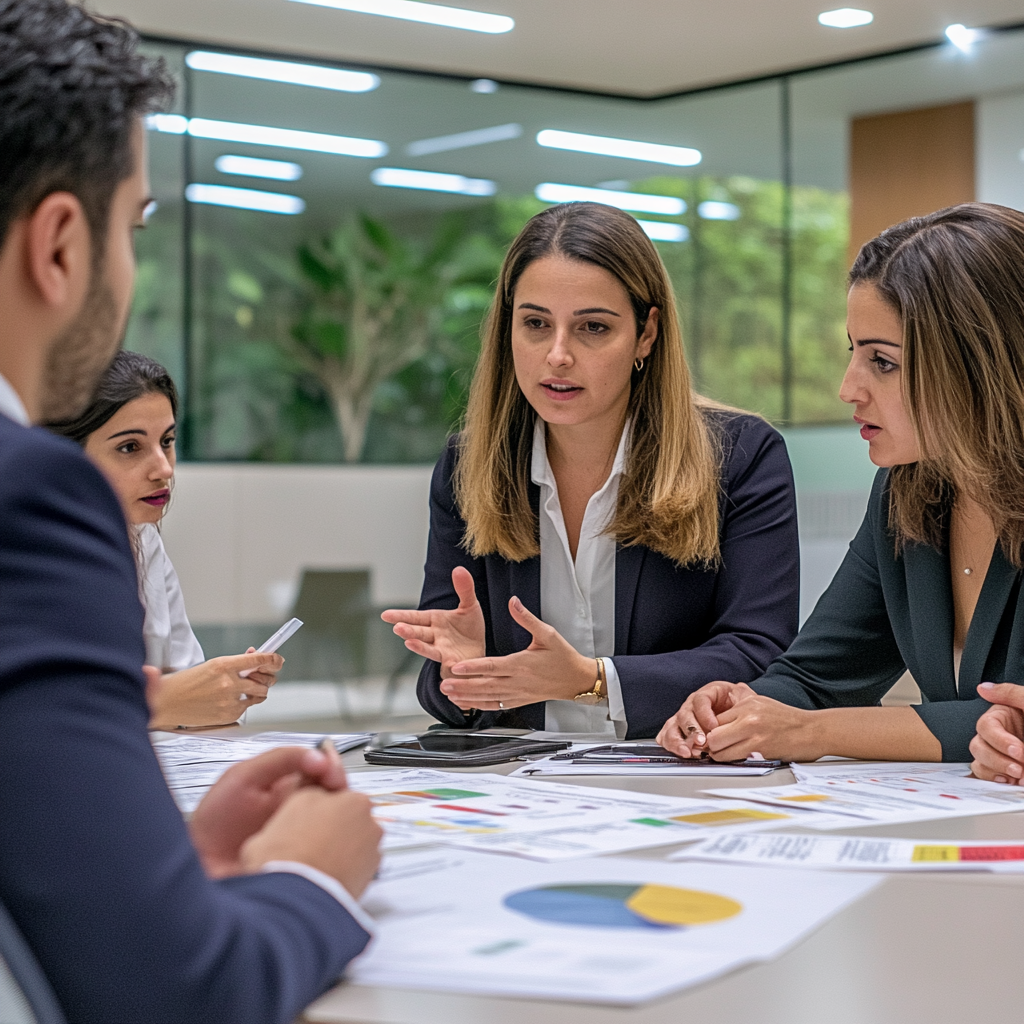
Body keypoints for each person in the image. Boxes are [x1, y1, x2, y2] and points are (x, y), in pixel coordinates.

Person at [0, 3, 381, 1022]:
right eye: (133, 229)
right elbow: (170, 992)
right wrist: (310, 878)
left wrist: (169, 862)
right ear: (60, 246)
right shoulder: (30, 497)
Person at [383, 201, 800, 739]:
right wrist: (462, 671)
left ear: (646, 335)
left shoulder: (741, 457)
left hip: (676, 774)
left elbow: (761, 654)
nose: (557, 355)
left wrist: (591, 680)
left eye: (593, 328)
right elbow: (450, 689)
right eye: (535, 323)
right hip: (523, 785)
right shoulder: (470, 465)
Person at [658, 202, 1024, 766]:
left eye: (884, 362)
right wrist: (740, 706)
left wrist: (813, 733)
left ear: (977, 364)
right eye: (853, 351)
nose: (848, 387)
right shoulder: (907, 491)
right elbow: (815, 677)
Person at [47, 350, 281, 729]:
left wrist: (221, 692)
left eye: (167, 441)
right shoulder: (24, 558)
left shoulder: (145, 546)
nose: (164, 468)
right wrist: (159, 703)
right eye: (130, 447)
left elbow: (181, 684)